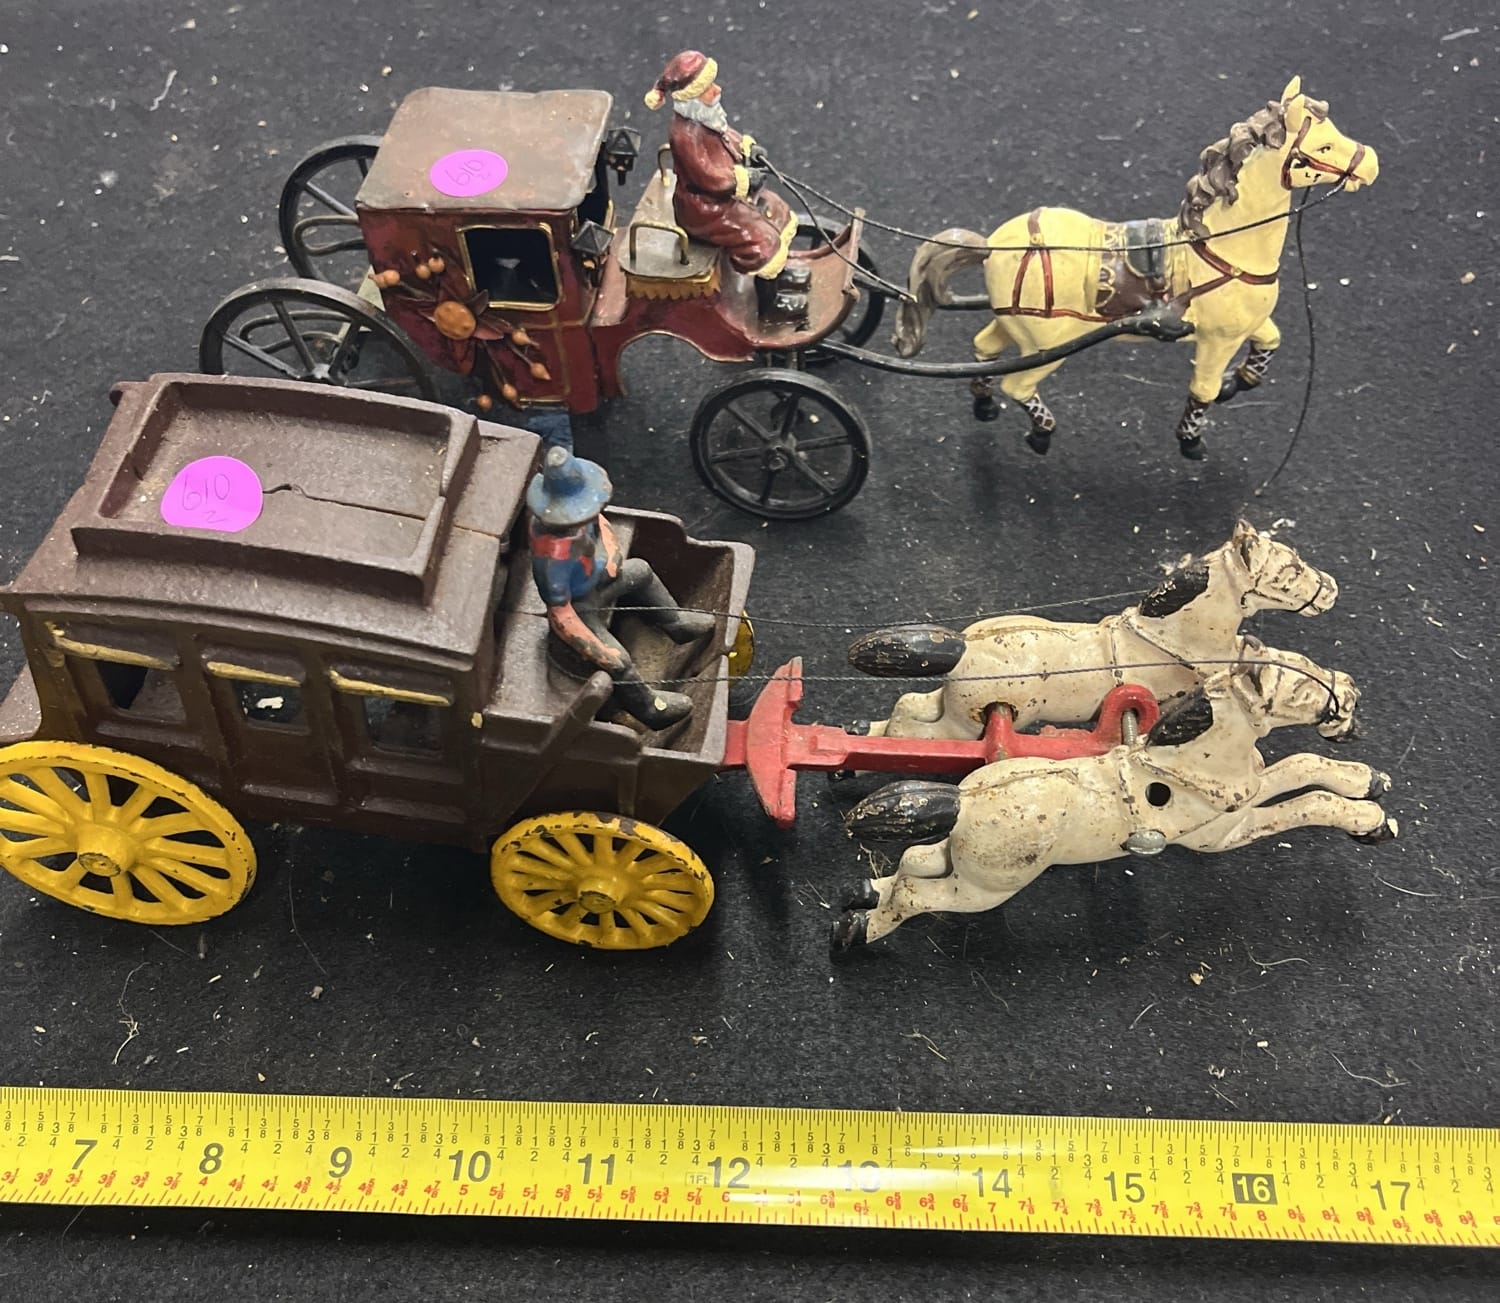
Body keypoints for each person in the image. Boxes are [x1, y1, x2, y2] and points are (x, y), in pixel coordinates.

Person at [527, 437, 716, 730]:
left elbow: (601, 523)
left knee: (640, 570)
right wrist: (597, 650)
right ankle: (650, 709)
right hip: (580, 608)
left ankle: (676, 623)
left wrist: (613, 555)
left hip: (600, 579)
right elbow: (560, 613)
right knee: (620, 661)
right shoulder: (553, 555)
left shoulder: (578, 518)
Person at [644, 49, 808, 316]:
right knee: (759, 239)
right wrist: (742, 179)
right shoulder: (685, 136)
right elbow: (707, 175)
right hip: (705, 209)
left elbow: (727, 135)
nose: (717, 90)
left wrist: (748, 149)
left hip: (724, 198)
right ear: (691, 97)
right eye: (708, 88)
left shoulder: (705, 118)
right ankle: (771, 306)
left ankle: (777, 276)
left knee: (774, 207)